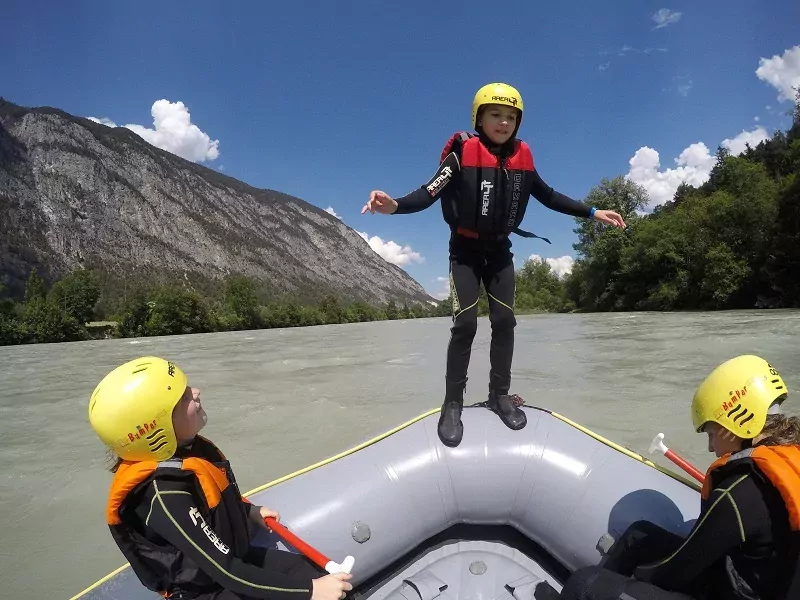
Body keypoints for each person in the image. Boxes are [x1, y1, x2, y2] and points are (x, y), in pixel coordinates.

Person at [361, 82, 626, 447]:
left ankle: (500, 396)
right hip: (465, 252)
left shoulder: (523, 160)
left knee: (505, 321)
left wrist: (593, 212)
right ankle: (452, 403)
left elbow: (549, 197)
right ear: (479, 118)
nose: (503, 122)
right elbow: (428, 192)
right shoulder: (460, 156)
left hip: (500, 251)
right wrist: (393, 205)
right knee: (465, 324)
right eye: (495, 115)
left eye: (511, 117)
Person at [88, 356, 354, 600]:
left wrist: (248, 511)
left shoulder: (189, 452)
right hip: (208, 591)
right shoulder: (164, 496)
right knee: (315, 588)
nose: (196, 392)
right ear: (156, 429)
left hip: (236, 559)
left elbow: (210, 506)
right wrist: (310, 592)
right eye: (183, 398)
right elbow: (225, 571)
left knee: (310, 570)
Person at [557, 355, 800, 600]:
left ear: (735, 424)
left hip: (733, 592)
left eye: (711, 434)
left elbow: (672, 574)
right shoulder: (791, 453)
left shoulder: (738, 491)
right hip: (753, 582)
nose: (710, 448)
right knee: (638, 536)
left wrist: (626, 582)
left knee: (584, 583)